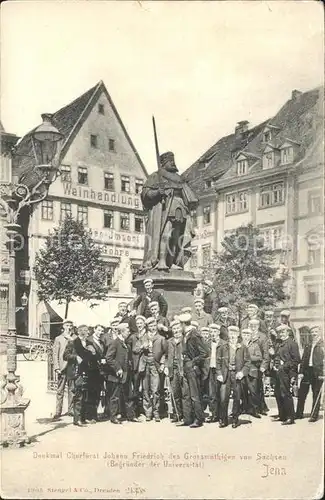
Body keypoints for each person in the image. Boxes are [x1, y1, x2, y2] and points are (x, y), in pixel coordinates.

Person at [140, 151, 198, 272]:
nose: (172, 163)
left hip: (180, 208)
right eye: (169, 161)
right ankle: (161, 260)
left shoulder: (179, 178)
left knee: (177, 236)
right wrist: (157, 192)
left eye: (173, 161)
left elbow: (189, 197)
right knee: (166, 234)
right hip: (165, 209)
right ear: (163, 163)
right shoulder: (156, 176)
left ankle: (172, 261)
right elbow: (146, 194)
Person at [178, 312, 209, 428]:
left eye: (180, 324)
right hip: (186, 367)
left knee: (195, 395)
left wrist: (193, 362)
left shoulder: (194, 335)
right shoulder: (186, 335)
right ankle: (187, 419)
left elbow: (205, 353)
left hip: (192, 368)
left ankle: (198, 419)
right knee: (186, 394)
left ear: (183, 324)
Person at [216, 325, 250, 429]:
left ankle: (235, 419)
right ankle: (223, 419)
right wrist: (219, 374)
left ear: (238, 335)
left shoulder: (243, 347)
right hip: (226, 374)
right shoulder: (223, 347)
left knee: (237, 397)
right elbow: (218, 362)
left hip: (237, 375)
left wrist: (242, 372)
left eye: (234, 334)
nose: (232, 336)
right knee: (223, 398)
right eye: (231, 333)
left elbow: (248, 362)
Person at [63, 327, 96, 427]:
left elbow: (92, 357)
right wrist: (75, 357)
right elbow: (65, 355)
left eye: (87, 331)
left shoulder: (89, 343)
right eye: (85, 331)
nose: (88, 333)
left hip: (87, 372)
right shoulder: (73, 343)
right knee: (78, 395)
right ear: (80, 332)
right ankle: (77, 420)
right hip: (76, 372)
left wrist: (93, 353)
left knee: (85, 395)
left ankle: (83, 418)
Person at [105, 323, 137, 424]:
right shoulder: (115, 343)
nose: (129, 332)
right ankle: (113, 417)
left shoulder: (126, 344)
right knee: (115, 396)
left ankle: (131, 416)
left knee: (128, 395)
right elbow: (108, 358)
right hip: (117, 375)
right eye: (127, 331)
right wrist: (117, 368)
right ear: (122, 332)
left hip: (126, 374)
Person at [272, 324, 301, 425]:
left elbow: (296, 360)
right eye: (280, 332)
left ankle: (290, 417)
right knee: (278, 394)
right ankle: (282, 415)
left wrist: (284, 365)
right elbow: (276, 356)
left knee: (285, 394)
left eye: (283, 332)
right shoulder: (279, 343)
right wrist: (275, 364)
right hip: (277, 372)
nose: (281, 334)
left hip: (286, 372)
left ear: (288, 332)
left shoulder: (292, 344)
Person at [140, 317, 167, 422]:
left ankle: (156, 412)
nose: (152, 327)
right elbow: (136, 349)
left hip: (155, 366)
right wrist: (143, 347)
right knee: (146, 389)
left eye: (154, 325)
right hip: (145, 365)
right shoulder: (143, 337)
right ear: (147, 327)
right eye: (150, 326)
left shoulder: (161, 338)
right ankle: (148, 412)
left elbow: (165, 353)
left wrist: (162, 363)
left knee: (155, 390)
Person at [296, 325, 324, 422]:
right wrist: (301, 372)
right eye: (312, 332)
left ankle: (314, 415)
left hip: (318, 372)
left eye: (316, 332)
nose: (314, 334)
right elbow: (304, 359)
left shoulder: (323, 344)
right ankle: (298, 413)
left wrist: (323, 373)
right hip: (307, 372)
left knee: (316, 394)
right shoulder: (308, 344)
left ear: (320, 332)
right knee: (302, 393)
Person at [52, 319, 75, 420]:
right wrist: (57, 367)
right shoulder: (58, 338)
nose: (69, 327)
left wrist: (71, 339)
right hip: (62, 367)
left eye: (70, 326)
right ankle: (58, 411)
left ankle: (71, 410)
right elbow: (55, 354)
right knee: (60, 390)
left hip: (72, 367)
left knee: (72, 389)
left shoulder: (74, 338)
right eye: (67, 325)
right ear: (63, 326)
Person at [166, 319, 186, 423]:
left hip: (182, 369)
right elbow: (165, 355)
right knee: (175, 392)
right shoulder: (169, 341)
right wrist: (165, 366)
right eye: (174, 328)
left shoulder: (185, 340)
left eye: (178, 328)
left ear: (181, 329)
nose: (176, 330)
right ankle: (177, 413)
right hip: (172, 369)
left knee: (184, 393)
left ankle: (186, 414)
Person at [248, 319, 270, 415]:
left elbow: (266, 352)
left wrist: (264, 366)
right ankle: (250, 407)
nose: (253, 327)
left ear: (258, 326)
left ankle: (261, 408)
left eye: (255, 325)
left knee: (258, 387)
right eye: (251, 325)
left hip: (258, 364)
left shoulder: (263, 337)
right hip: (248, 365)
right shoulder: (247, 334)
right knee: (250, 388)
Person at [128, 315, 148, 416]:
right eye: (138, 324)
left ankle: (147, 411)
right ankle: (135, 411)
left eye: (141, 323)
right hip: (136, 366)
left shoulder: (148, 335)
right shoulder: (133, 336)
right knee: (135, 388)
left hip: (147, 364)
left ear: (144, 324)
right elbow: (130, 350)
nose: (139, 325)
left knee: (146, 388)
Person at [242, 327, 263, 418]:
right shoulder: (239, 345)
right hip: (241, 371)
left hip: (252, 371)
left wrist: (248, 357)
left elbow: (259, 357)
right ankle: (244, 408)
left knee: (253, 391)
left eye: (248, 335)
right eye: (244, 335)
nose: (246, 336)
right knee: (242, 391)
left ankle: (255, 410)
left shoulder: (255, 345)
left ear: (251, 336)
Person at [86, 324, 105, 422]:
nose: (100, 332)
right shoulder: (89, 340)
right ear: (94, 329)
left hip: (100, 371)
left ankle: (95, 414)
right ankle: (89, 416)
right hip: (91, 370)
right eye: (98, 330)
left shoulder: (101, 342)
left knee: (98, 392)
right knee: (91, 393)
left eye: (102, 331)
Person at [206, 324, 223, 423]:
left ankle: (221, 414)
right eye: (211, 332)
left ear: (218, 332)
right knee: (212, 394)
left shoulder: (223, 344)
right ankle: (214, 414)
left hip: (220, 371)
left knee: (221, 393)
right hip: (210, 371)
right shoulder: (207, 344)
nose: (213, 334)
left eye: (215, 332)